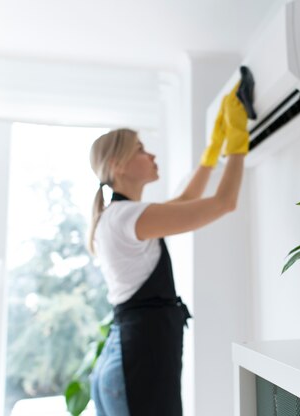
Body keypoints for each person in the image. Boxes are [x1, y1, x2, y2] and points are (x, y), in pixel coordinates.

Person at [87, 84, 248, 416]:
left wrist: (211, 154)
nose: (152, 155)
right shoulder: (128, 217)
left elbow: (184, 204)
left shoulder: (117, 216)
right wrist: (237, 145)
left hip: (123, 361)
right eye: (141, 149)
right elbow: (224, 203)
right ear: (119, 165)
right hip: (138, 362)